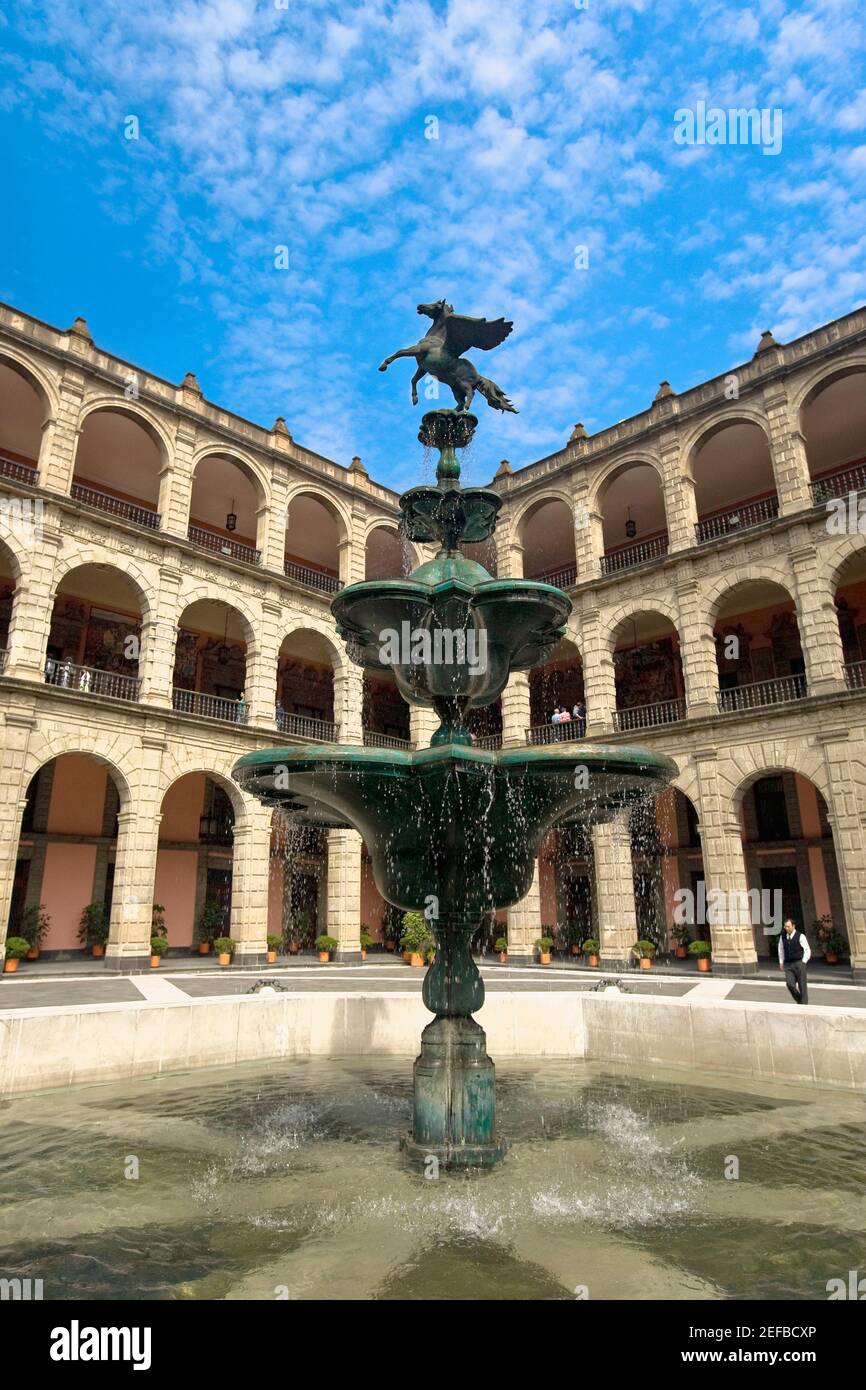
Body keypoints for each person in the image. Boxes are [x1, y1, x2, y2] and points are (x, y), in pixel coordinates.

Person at [778, 917, 810, 1005]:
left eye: (788, 926)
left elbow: (807, 950)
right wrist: (781, 962)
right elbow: (781, 949)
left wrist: (804, 961)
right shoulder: (783, 937)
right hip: (788, 964)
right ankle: (800, 1000)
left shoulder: (800, 936)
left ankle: (804, 1004)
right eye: (785, 927)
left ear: (793, 926)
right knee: (790, 984)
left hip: (799, 962)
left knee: (802, 985)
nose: (786, 928)